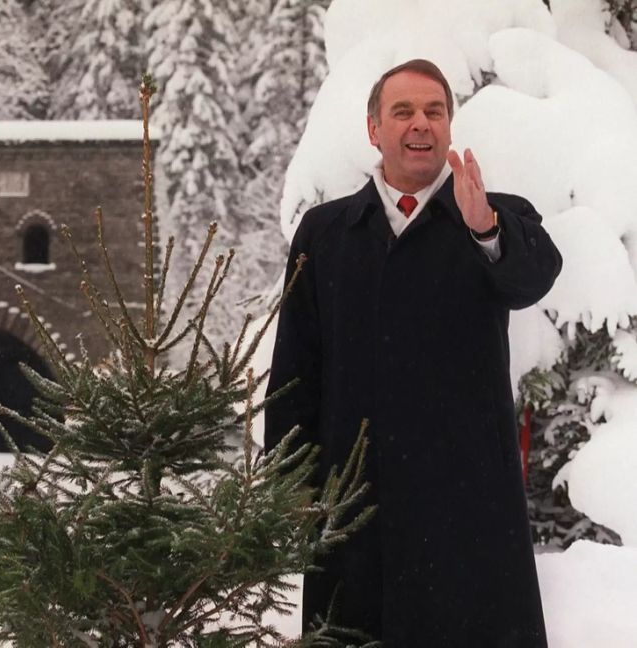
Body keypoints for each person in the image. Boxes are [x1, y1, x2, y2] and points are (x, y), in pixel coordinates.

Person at [264, 59, 562, 647]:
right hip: (355, 506)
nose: (420, 124)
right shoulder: (325, 234)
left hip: (469, 508)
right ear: (374, 129)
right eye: (403, 111)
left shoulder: (495, 216)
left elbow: (533, 278)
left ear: (450, 127)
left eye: (434, 111)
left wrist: (485, 229)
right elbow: (295, 373)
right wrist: (288, 485)